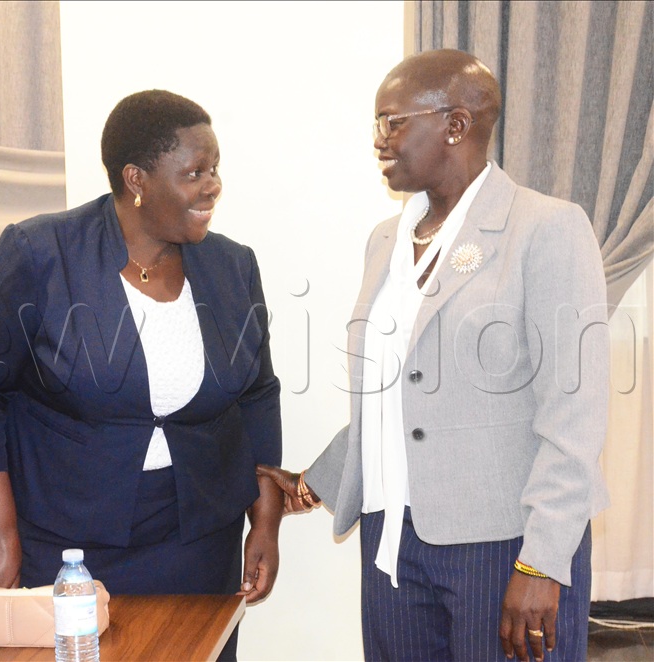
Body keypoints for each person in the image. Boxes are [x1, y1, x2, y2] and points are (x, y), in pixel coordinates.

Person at [258, 50, 609, 662]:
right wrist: (310, 483)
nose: (378, 140)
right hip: (392, 544)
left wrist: (543, 560)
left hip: (502, 546)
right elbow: (400, 392)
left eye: (392, 122)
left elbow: (574, 415)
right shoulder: (386, 240)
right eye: (376, 124)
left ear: (455, 125)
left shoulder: (545, 228)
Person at [0, 90, 283, 655]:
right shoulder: (40, 253)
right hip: (69, 545)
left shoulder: (231, 265)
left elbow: (258, 394)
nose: (213, 184)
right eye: (195, 172)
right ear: (137, 179)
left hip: (200, 542)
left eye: (215, 169)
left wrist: (263, 521)